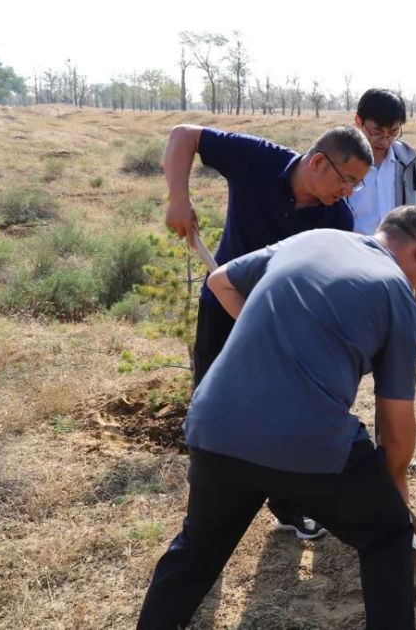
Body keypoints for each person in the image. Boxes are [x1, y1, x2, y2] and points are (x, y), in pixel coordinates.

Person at [137, 206, 416, 630]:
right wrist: (395, 488)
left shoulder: (315, 238)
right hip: (304, 441)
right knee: (388, 533)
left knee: (197, 551)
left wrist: (280, 341)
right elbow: (394, 421)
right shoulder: (398, 294)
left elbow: (221, 281)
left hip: (217, 424)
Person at [164, 123, 372, 540]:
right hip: (224, 307)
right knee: (212, 407)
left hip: (282, 325)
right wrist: (179, 199)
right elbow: (183, 135)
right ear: (318, 162)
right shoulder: (257, 159)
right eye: (347, 180)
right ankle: (204, 517)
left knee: (285, 414)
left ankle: (290, 506)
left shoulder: (336, 218)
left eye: (358, 185)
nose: (349, 192)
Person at [348, 88, 416, 235]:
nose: (385, 141)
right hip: (352, 250)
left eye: (393, 132)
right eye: (377, 132)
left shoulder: (408, 162)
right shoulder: (340, 161)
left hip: (393, 253)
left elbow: (415, 211)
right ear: (358, 121)